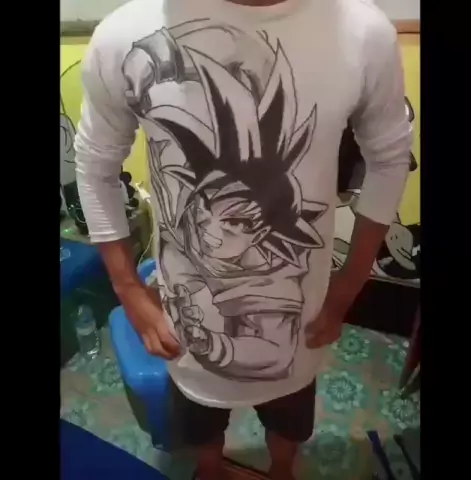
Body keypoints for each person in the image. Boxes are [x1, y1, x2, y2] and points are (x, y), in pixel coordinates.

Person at [74, 0, 412, 478]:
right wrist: (128, 290)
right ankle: (210, 469)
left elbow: (390, 158)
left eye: (237, 223)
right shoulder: (122, 34)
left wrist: (349, 285)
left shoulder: (363, 32)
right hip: (183, 335)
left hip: (299, 330)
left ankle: (282, 470)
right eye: (209, 211)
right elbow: (95, 166)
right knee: (199, 430)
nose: (213, 229)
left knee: (289, 425)